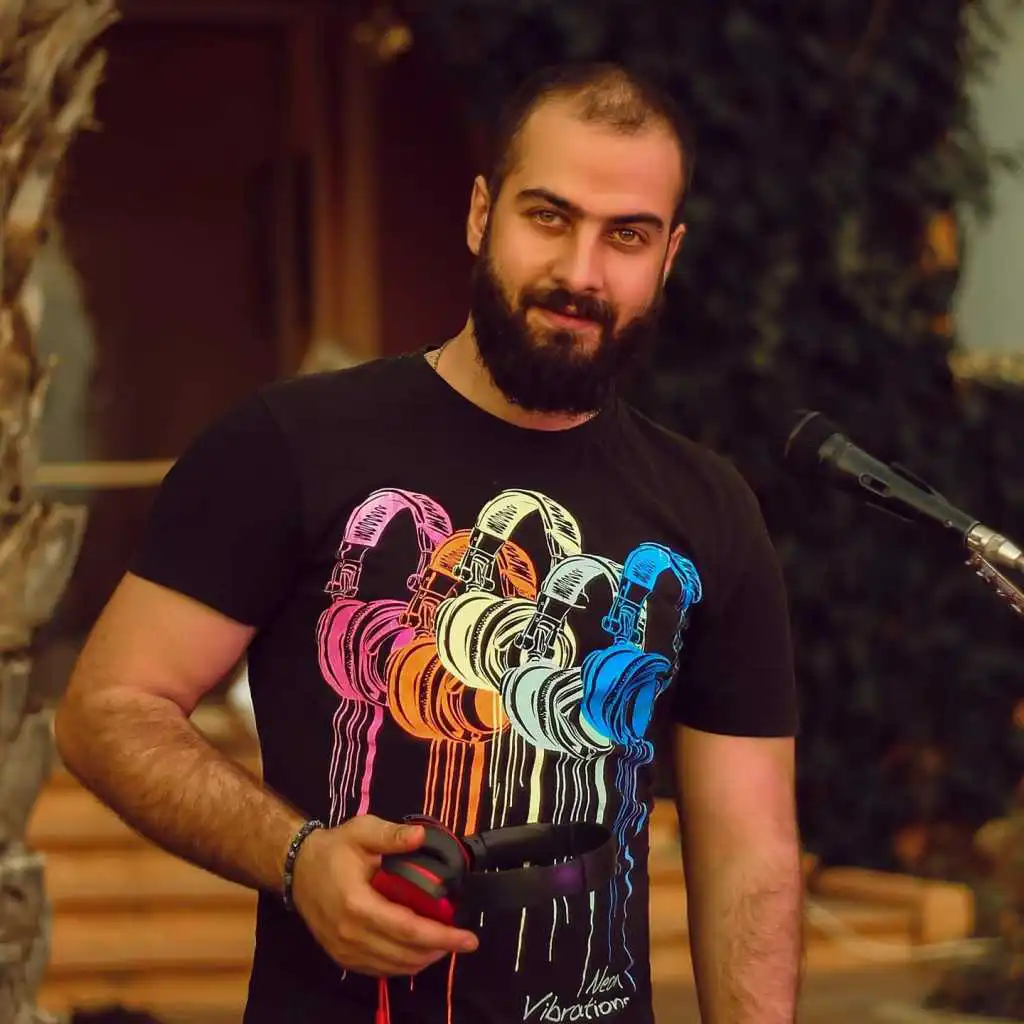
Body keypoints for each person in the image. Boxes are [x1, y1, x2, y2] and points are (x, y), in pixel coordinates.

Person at [54, 61, 803, 1024]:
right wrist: (296, 859)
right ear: (481, 215)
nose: (581, 273)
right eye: (548, 217)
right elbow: (108, 709)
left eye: (626, 235)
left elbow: (750, 852)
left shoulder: (711, 509)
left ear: (668, 256)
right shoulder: (288, 444)